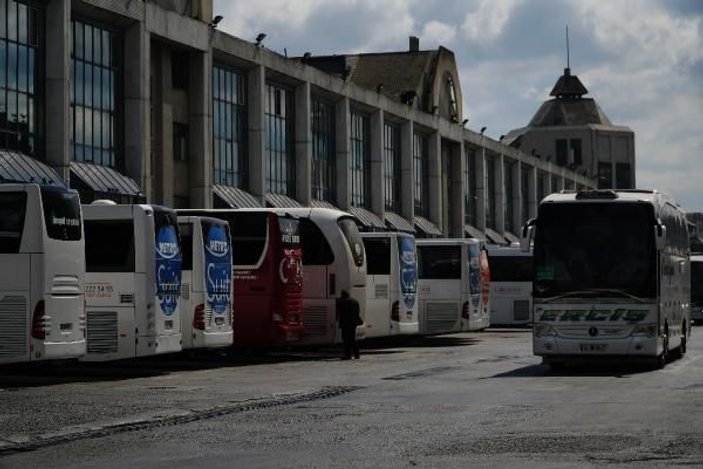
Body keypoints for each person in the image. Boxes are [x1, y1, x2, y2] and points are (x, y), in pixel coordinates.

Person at [336, 290, 362, 359]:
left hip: (345, 323)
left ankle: (348, 355)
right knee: (352, 339)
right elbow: (358, 311)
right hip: (353, 323)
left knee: (346, 339)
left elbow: (340, 313)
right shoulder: (354, 301)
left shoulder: (342, 302)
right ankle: (357, 354)